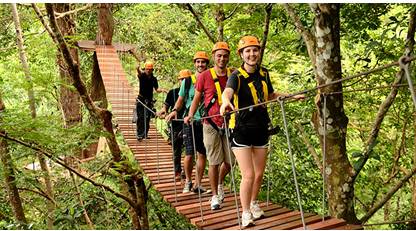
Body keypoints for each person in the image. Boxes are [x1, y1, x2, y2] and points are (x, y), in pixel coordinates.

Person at [220, 35, 304, 227]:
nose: (252, 54)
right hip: (241, 129)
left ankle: (254, 202)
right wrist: (225, 102)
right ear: (241, 54)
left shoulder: (264, 74)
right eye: (247, 51)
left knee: (259, 174)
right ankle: (246, 212)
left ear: (259, 52)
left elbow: (271, 95)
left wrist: (291, 96)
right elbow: (228, 92)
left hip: (260, 128)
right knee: (248, 175)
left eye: (254, 50)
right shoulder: (236, 76)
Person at [184, 42, 234, 210]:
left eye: (225, 55)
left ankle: (219, 184)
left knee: (229, 162)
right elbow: (197, 98)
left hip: (229, 123)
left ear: (228, 57)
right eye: (219, 55)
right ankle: (214, 196)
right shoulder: (204, 76)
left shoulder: (233, 75)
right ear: (214, 57)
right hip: (210, 123)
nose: (222, 58)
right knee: (213, 161)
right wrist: (190, 115)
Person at [166, 51, 209, 193]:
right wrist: (174, 111)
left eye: (203, 62)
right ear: (195, 63)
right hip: (189, 121)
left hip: (205, 122)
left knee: (202, 154)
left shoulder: (210, 78)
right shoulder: (188, 81)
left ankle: (198, 184)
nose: (200, 64)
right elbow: (181, 100)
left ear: (207, 64)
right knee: (189, 153)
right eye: (198, 62)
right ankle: (188, 182)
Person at [156, 70, 189, 179]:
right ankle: (177, 172)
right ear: (179, 81)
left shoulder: (193, 93)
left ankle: (186, 171)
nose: (184, 81)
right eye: (182, 79)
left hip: (189, 124)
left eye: (186, 79)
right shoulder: (173, 92)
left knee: (189, 150)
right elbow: (166, 105)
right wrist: (164, 110)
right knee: (177, 150)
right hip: (175, 125)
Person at [136, 61, 167, 141]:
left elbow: (157, 89)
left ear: (152, 70)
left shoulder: (154, 79)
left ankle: (145, 134)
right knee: (140, 117)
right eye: (147, 69)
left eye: (150, 69)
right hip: (141, 100)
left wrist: (163, 90)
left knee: (147, 118)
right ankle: (139, 134)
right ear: (145, 69)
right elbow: (139, 73)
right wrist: (137, 69)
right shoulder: (142, 76)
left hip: (149, 101)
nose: (148, 71)